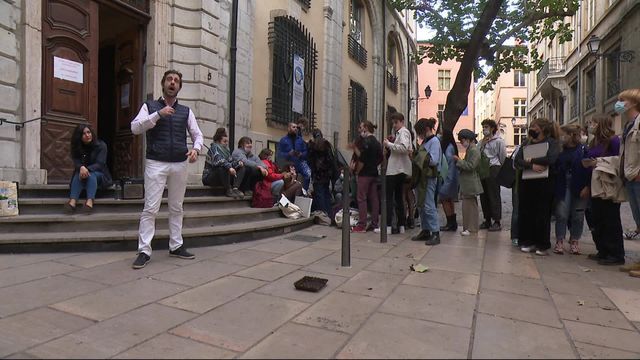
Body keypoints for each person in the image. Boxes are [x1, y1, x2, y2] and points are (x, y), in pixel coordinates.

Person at [130, 69, 203, 269]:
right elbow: (135, 127)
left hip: (180, 163)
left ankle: (176, 245)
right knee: (150, 208)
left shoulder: (186, 111)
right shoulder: (150, 106)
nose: (173, 83)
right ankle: (144, 250)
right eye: (169, 79)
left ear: (179, 86)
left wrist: (196, 150)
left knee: (176, 207)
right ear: (163, 84)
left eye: (176, 80)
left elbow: (198, 135)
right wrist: (157, 115)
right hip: (156, 162)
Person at [582, 115, 625, 266]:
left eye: (593, 122)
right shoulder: (594, 141)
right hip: (594, 184)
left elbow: (619, 160)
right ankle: (603, 250)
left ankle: (616, 253)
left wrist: (598, 162)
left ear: (601, 124)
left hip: (607, 184)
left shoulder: (613, 140)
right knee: (598, 218)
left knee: (610, 219)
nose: (590, 125)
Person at [514, 117, 560, 256]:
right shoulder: (526, 142)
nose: (532, 129)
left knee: (542, 214)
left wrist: (532, 160)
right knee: (526, 212)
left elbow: (551, 159)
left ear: (543, 129)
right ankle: (527, 241)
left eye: (535, 127)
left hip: (544, 183)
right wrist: (531, 165)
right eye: (531, 127)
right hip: (527, 182)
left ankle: (542, 244)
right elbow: (518, 161)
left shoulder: (551, 143)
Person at [553, 124, 590, 255]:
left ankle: (574, 240)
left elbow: (589, 169)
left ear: (571, 135)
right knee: (561, 213)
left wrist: (587, 186)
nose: (562, 137)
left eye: (564, 135)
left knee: (578, 215)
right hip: (563, 184)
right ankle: (559, 240)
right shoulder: (559, 150)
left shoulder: (583, 150)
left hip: (579, 185)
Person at [64, 124, 112, 214]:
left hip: (100, 175)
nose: (87, 135)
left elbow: (100, 164)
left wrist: (87, 169)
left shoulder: (101, 145)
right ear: (79, 137)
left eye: (88, 132)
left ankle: (89, 202)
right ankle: (72, 202)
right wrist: (81, 167)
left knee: (91, 175)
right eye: (83, 134)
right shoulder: (77, 147)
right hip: (82, 174)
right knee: (78, 174)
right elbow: (77, 161)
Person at [378, 112, 413, 235]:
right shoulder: (402, 133)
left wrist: (389, 144)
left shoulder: (403, 132)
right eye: (393, 123)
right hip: (400, 169)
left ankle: (388, 226)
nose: (394, 125)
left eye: (396, 122)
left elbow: (403, 148)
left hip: (395, 170)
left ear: (402, 122)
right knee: (398, 197)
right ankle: (401, 225)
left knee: (389, 198)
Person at [410, 117, 442, 245]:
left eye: (420, 132)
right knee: (421, 205)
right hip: (421, 177)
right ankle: (425, 230)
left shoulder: (434, 141)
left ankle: (435, 232)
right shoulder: (425, 142)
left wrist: (419, 156)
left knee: (428, 205)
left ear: (427, 129)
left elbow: (433, 160)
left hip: (429, 177)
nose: (419, 135)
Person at [349, 121, 382, 233]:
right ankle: (374, 223)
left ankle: (362, 224)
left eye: (361, 127)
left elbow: (362, 158)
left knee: (361, 198)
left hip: (365, 174)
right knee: (374, 198)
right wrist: (373, 165)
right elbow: (381, 158)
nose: (359, 130)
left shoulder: (366, 142)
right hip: (374, 173)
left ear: (366, 128)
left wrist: (358, 171)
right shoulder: (377, 143)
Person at [453, 129, 483, 236]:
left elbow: (471, 166)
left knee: (469, 207)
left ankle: (470, 228)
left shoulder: (474, 150)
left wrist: (458, 161)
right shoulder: (471, 149)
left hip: (470, 182)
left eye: (462, 140)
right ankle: (470, 228)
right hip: (468, 182)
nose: (461, 143)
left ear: (468, 139)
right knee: (468, 206)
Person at [202, 128, 246, 199]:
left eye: (227, 141)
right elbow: (219, 160)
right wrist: (229, 167)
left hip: (223, 175)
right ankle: (228, 189)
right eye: (224, 141)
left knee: (242, 167)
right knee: (222, 167)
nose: (226, 143)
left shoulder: (226, 150)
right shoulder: (214, 148)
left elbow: (230, 161)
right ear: (218, 141)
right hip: (209, 177)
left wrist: (238, 163)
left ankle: (235, 188)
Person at [479, 119, 507, 231]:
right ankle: (487, 219)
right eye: (483, 127)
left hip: (493, 167)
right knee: (484, 195)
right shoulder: (482, 141)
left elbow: (502, 156)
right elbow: (477, 152)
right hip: (483, 169)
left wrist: (500, 169)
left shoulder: (499, 141)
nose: (484, 129)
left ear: (492, 128)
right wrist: (483, 144)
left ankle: (497, 221)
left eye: (486, 127)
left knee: (493, 195)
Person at [308, 128, 338, 216]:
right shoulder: (327, 144)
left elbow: (310, 159)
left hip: (317, 174)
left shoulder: (312, 145)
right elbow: (331, 159)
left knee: (319, 193)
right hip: (326, 174)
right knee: (326, 193)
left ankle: (323, 213)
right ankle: (329, 213)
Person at [277, 122, 311, 195]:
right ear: (289, 128)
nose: (295, 129)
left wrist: (301, 154)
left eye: (296, 127)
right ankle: (289, 194)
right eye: (293, 127)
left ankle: (304, 191)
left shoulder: (300, 140)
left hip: (299, 162)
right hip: (289, 163)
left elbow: (306, 152)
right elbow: (279, 154)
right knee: (290, 179)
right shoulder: (283, 140)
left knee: (308, 174)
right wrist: (288, 154)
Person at [438, 129, 460, 231]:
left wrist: (447, 181)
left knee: (444, 199)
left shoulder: (448, 148)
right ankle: (452, 223)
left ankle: (450, 223)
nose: (440, 136)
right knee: (449, 199)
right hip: (452, 178)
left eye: (441, 134)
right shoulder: (452, 147)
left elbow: (449, 165)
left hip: (449, 178)